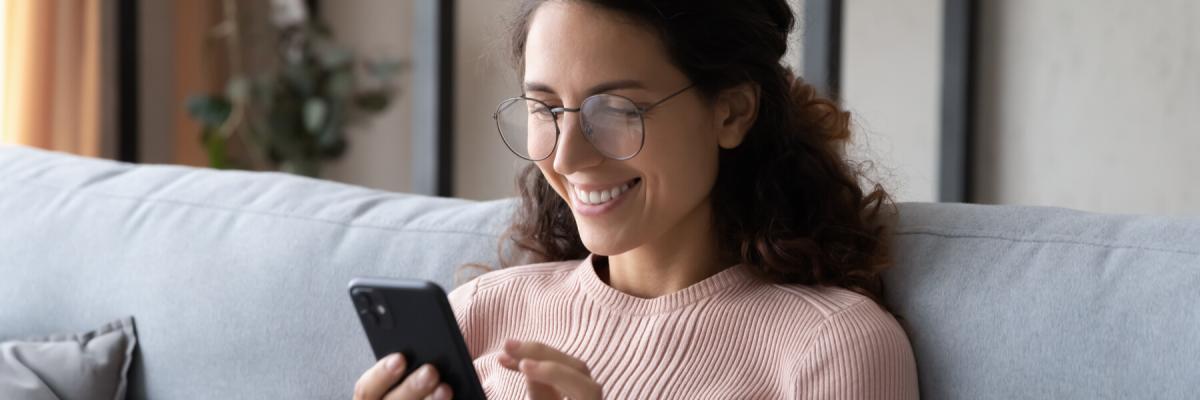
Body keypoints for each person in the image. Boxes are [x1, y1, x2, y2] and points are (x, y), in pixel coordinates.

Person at [354, 0, 918, 398]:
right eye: (545, 109)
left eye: (618, 110)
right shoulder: (481, 313)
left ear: (731, 111)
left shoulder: (830, 349)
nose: (569, 156)